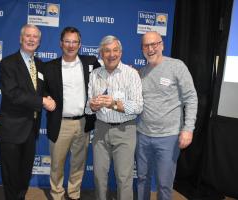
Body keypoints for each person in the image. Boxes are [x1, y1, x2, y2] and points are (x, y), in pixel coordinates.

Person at [136, 31, 198, 200]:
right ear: (142, 48)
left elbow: (191, 98)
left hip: (168, 137)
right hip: (143, 136)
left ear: (162, 45)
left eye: (154, 44)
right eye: (146, 45)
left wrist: (188, 129)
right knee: (142, 179)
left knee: (164, 184)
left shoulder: (176, 66)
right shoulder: (141, 73)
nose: (150, 49)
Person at [0, 24, 55, 200]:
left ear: (39, 42)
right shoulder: (7, 63)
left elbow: (39, 89)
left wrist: (48, 97)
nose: (31, 39)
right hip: (11, 129)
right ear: (21, 39)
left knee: (24, 173)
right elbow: (13, 94)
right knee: (11, 175)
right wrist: (42, 101)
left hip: (31, 129)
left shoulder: (39, 64)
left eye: (35, 37)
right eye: (28, 36)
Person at [43, 26, 101, 200]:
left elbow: (107, 75)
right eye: (67, 41)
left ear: (80, 44)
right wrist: (46, 98)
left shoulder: (90, 62)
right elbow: (40, 90)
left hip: (83, 123)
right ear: (61, 43)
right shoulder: (49, 67)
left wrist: (127, 70)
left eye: (74, 42)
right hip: (60, 123)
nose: (71, 45)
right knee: (57, 164)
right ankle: (57, 194)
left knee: (78, 163)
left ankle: (74, 194)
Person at [85, 35, 143, 200]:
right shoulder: (95, 74)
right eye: (107, 51)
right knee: (99, 176)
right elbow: (88, 108)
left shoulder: (131, 74)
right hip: (101, 129)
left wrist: (114, 104)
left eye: (115, 50)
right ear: (101, 54)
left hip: (125, 130)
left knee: (124, 178)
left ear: (121, 52)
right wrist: (93, 106)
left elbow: (138, 106)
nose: (111, 54)